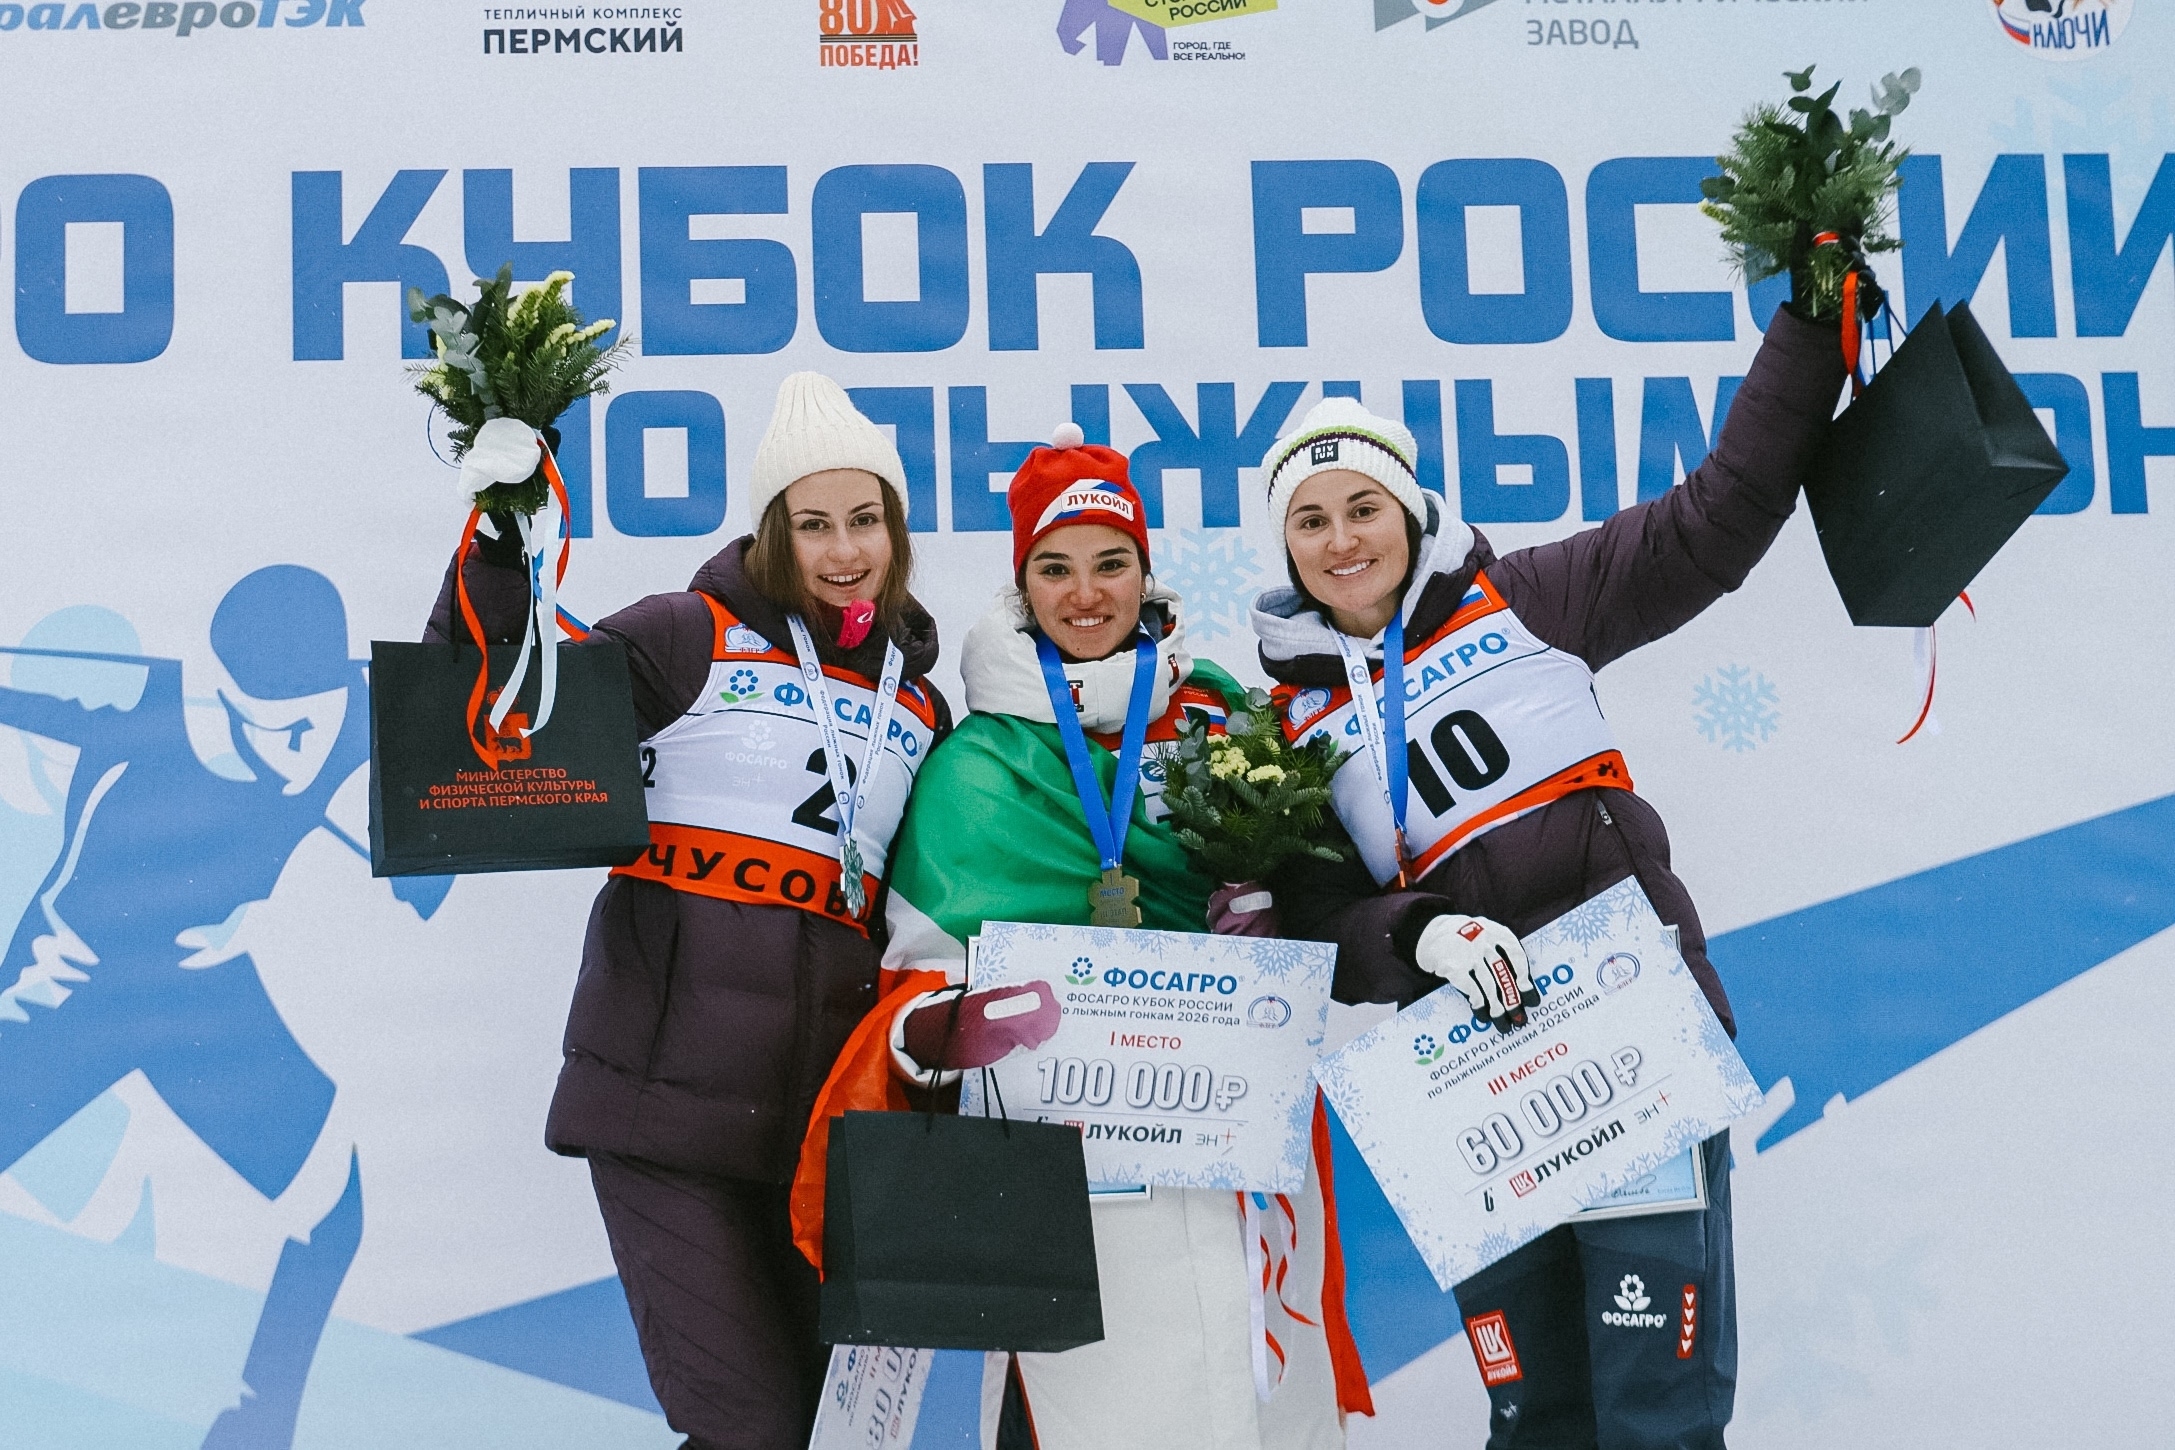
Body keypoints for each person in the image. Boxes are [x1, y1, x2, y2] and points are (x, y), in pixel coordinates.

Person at [1253, 307, 1847, 1449]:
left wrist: (1813, 324)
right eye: (1310, 521)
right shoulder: (1286, 724)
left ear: (1411, 511)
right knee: (1533, 1417)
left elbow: (1716, 516)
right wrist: (1416, 933)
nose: (1341, 540)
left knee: (1655, 1411)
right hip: (1470, 1089)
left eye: (1363, 507)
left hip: (1625, 1047)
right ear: (1285, 549)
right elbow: (1316, 921)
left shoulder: (1528, 598)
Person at [424, 373, 950, 1450]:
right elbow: (494, 704)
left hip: (819, 1133)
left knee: (827, 1432)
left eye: (865, 520)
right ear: (771, 531)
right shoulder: (685, 635)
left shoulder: (919, 701)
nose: (843, 550)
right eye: (812, 523)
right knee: (746, 1424)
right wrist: (500, 542)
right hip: (661, 1110)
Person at [820, 426, 1371, 1450]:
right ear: (1022, 586)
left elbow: (1331, 901)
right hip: (1069, 1174)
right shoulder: (977, 763)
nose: (1085, 595)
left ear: (1144, 574)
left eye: (1111, 564)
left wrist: (1273, 917)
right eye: (1055, 569)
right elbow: (917, 986)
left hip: (1230, 1143)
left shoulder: (1222, 718)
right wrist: (943, 1027)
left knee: (1258, 1405)